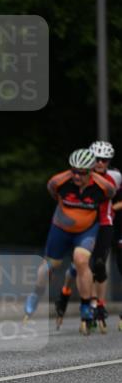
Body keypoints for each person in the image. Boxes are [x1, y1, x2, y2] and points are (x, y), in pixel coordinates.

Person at [24, 148, 115, 334]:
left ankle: (85, 306)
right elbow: (52, 191)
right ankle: (36, 294)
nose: (76, 176)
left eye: (81, 172)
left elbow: (110, 198)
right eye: (73, 170)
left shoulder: (104, 187)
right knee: (48, 267)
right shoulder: (59, 182)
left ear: (90, 172)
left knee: (82, 261)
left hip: (86, 230)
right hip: (61, 228)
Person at [54, 140, 122, 331]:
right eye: (97, 159)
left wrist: (113, 208)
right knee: (79, 265)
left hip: (105, 223)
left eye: (104, 160)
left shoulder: (115, 177)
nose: (100, 163)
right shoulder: (79, 176)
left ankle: (97, 304)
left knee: (98, 265)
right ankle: (65, 292)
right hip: (84, 224)